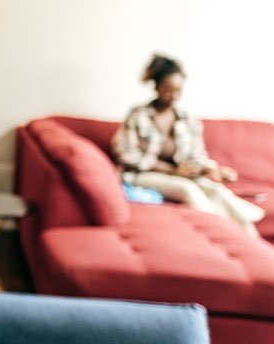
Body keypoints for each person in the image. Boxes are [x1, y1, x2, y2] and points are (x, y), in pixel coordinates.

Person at [112, 53, 265, 234]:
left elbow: (196, 155)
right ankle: (221, 231)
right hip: (142, 175)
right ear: (157, 86)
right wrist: (169, 170)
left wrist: (211, 170)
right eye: (168, 90)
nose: (174, 95)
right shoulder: (138, 115)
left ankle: (250, 238)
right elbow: (124, 153)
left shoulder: (188, 120)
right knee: (187, 189)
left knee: (216, 191)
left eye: (178, 90)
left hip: (181, 174)